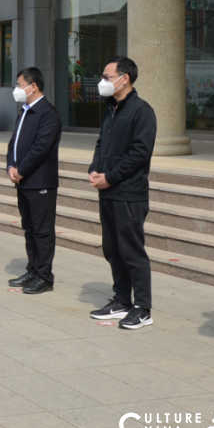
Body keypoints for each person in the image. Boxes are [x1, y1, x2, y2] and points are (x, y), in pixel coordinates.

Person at [88, 56, 156, 330]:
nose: (102, 82)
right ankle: (121, 300)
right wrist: (95, 168)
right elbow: (101, 142)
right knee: (112, 249)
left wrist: (111, 176)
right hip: (107, 192)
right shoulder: (111, 109)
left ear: (124, 78)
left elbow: (140, 153)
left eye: (107, 76)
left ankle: (143, 307)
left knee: (131, 251)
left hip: (128, 193)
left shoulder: (141, 111)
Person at [6, 67, 62, 294]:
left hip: (40, 182)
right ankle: (33, 269)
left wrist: (21, 170)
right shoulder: (25, 111)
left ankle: (44, 276)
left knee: (42, 230)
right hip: (23, 180)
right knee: (29, 228)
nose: (17, 89)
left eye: (19, 85)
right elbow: (14, 142)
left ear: (33, 86)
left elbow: (41, 148)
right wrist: (10, 165)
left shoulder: (48, 114)